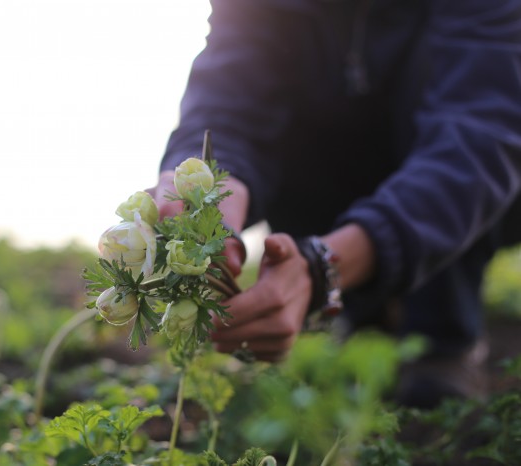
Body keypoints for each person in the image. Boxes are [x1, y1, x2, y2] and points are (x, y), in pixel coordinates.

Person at [150, 0, 521, 408]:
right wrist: (210, 185)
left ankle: (440, 335)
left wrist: (324, 266)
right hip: (327, 181)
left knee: (430, 394)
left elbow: (478, 137)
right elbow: (228, 96)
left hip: (465, 184)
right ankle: (358, 313)